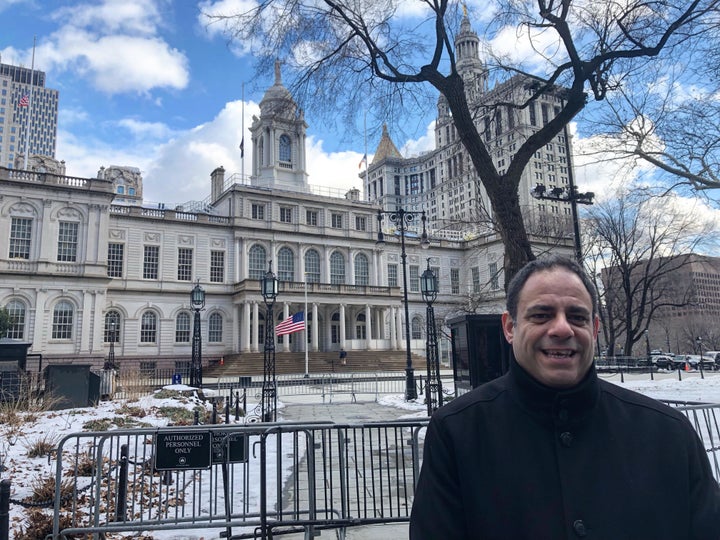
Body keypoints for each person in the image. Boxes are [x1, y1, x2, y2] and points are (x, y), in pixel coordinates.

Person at [410, 254, 720, 539]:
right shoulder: (457, 432)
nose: (562, 328)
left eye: (577, 316)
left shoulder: (670, 434)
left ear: (595, 328)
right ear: (509, 327)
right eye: (542, 315)